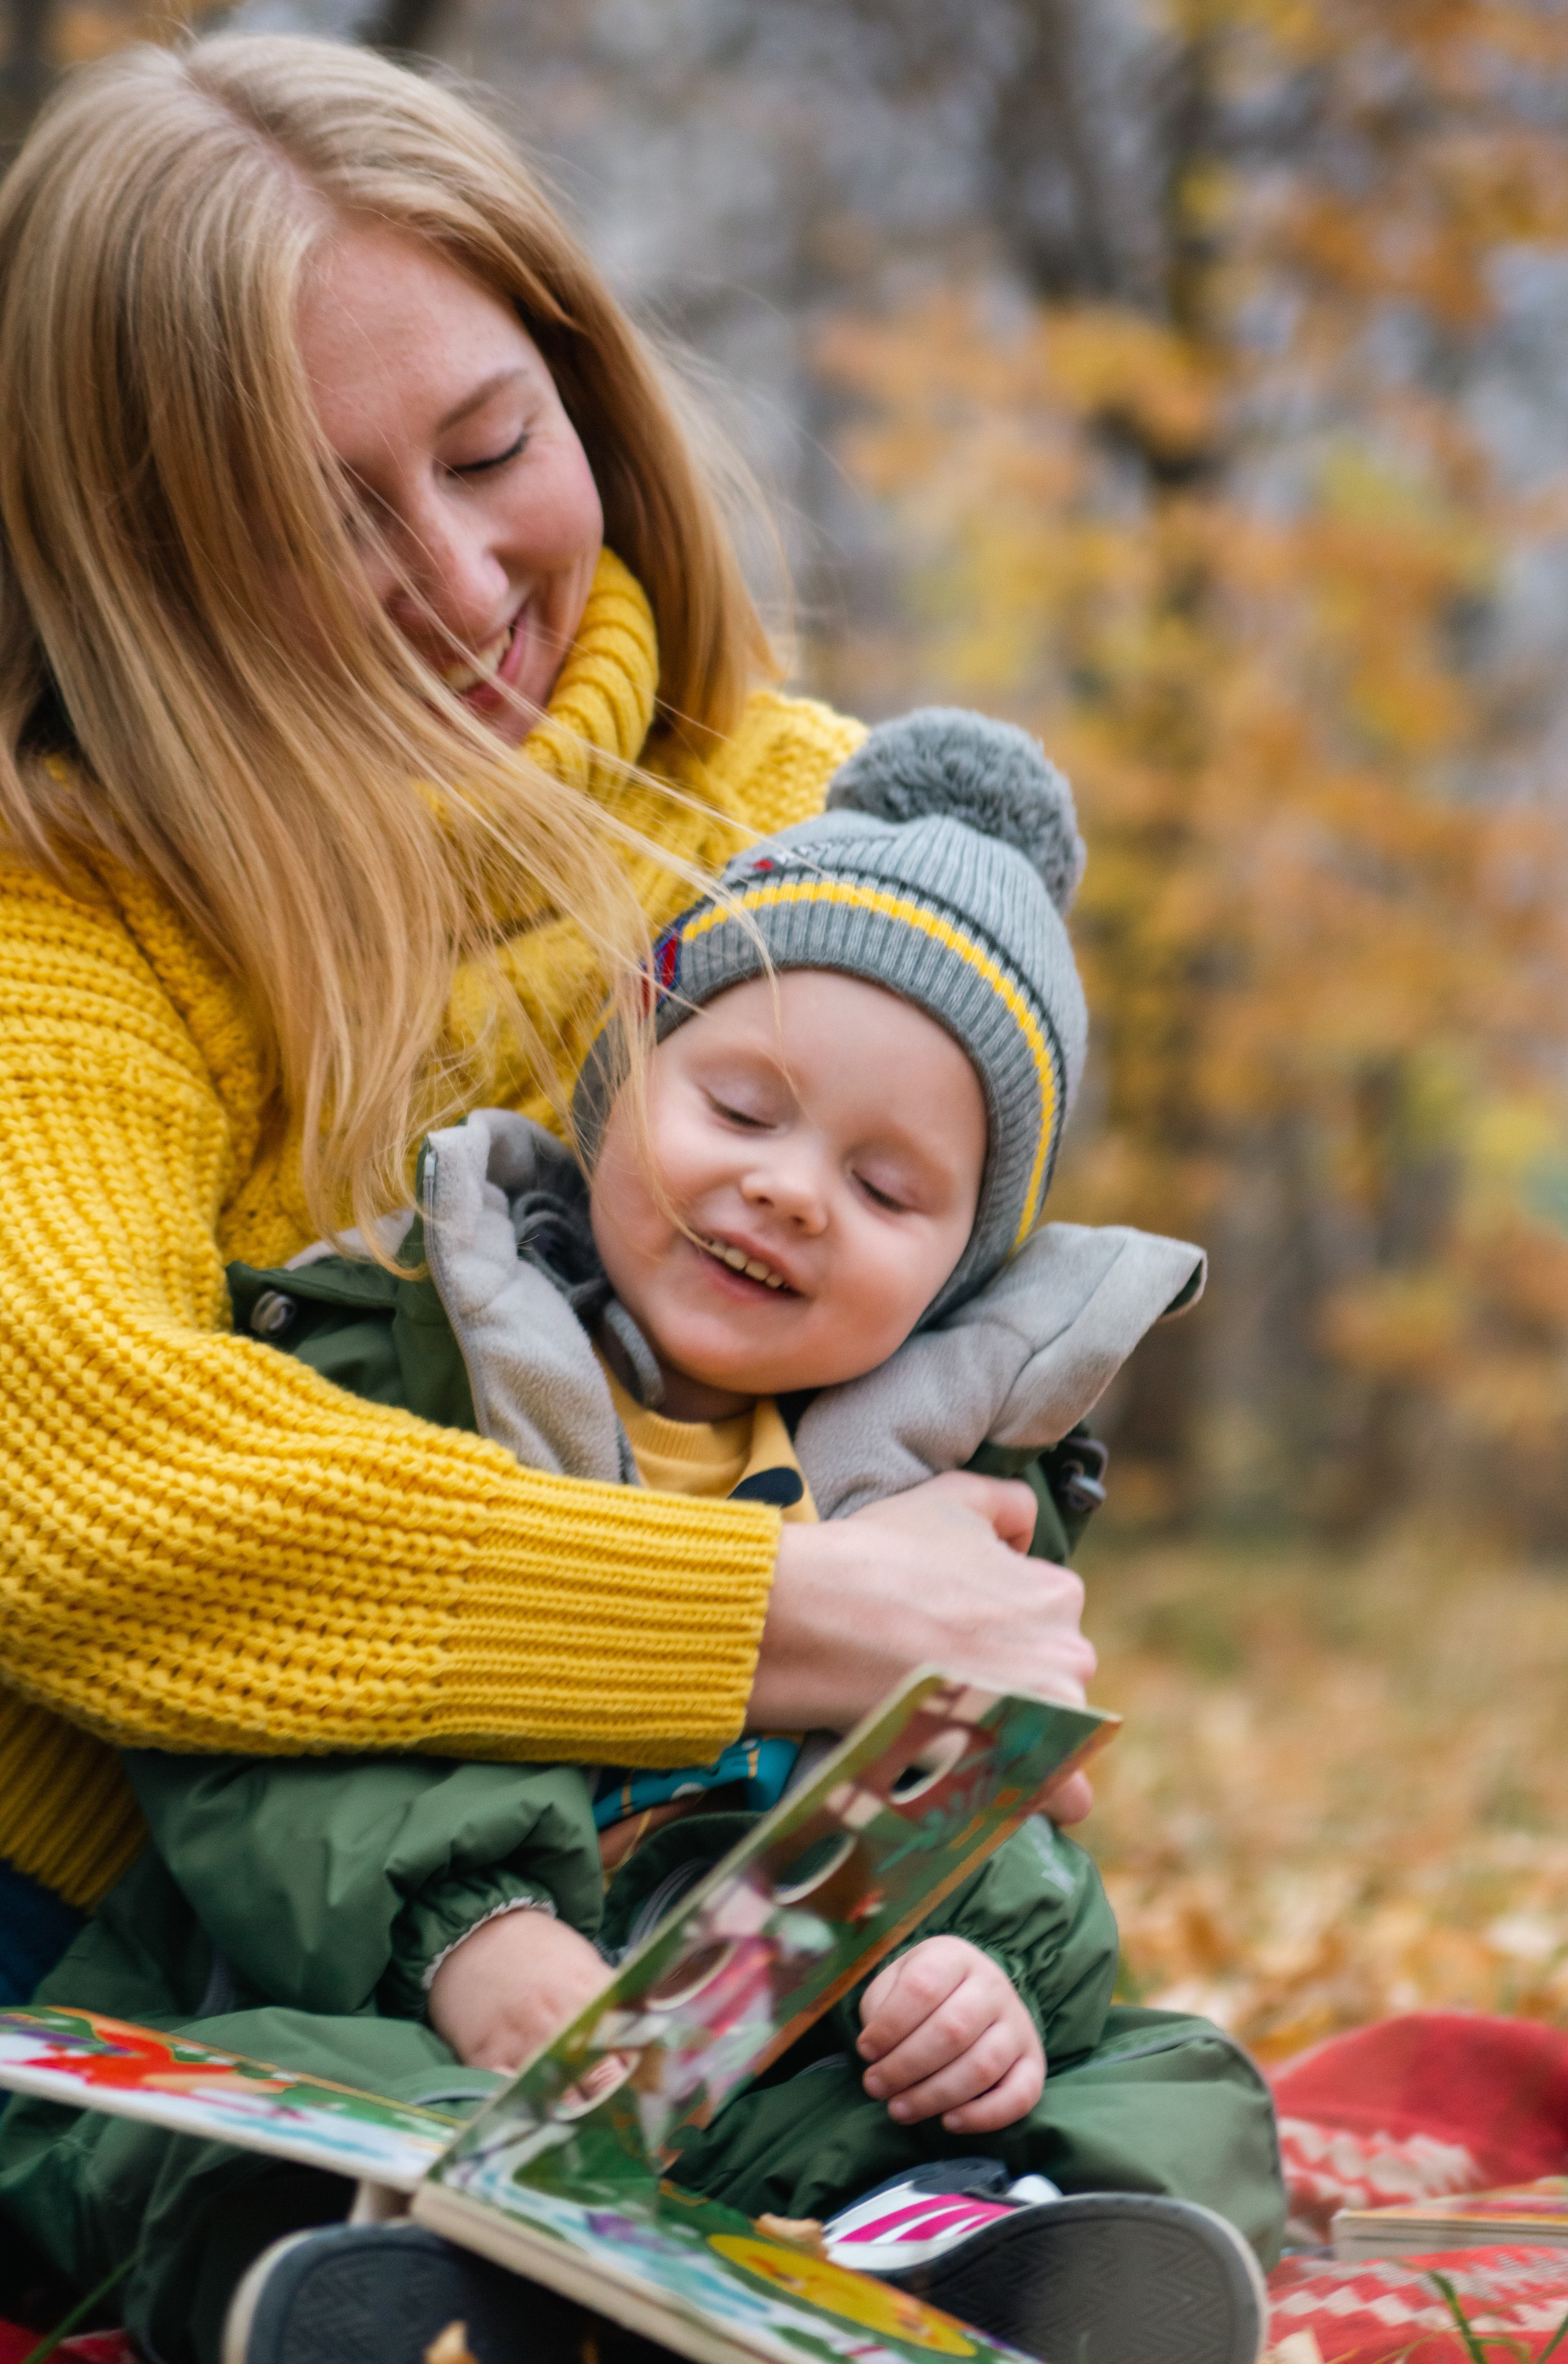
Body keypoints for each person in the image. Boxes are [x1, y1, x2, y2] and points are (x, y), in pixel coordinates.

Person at [0, 25, 1098, 2032]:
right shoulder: (70, 909)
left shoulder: (810, 834)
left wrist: (953, 1569)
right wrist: (769, 1612)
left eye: (493, 451)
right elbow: (75, 1475)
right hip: (155, 1906)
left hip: (694, 1851)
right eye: (319, 518)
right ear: (137, 560)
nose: (456, 574)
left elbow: (957, 1336)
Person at [0, 715, 1284, 2364]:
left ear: (963, 1267)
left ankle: (980, 2265)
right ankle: (408, 2286)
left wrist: (976, 1975)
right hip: (412, 2009)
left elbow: (1001, 1809)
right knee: (257, 2107)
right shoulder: (408, 1351)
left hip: (775, 2066)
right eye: (742, 1108)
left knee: (1173, 2078)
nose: (792, 1192)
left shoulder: (942, 1492)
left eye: (890, 1194)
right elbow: (266, 1724)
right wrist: (460, 1936)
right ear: (627, 1073)